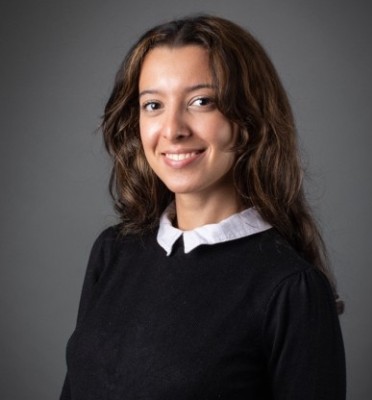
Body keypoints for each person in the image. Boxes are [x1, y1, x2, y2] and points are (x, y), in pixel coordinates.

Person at [60, 15, 346, 399]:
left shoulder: (291, 288)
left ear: (249, 120)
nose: (172, 129)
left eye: (201, 101)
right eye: (153, 105)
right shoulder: (113, 251)